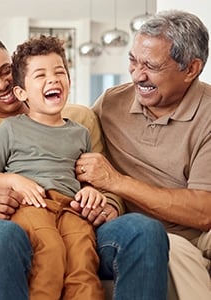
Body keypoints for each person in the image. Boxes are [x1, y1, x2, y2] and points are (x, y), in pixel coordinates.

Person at [0, 36, 168, 300]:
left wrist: (103, 202)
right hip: (17, 218)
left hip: (72, 211)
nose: (2, 84)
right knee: (29, 242)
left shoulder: (80, 123)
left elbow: (100, 180)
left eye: (6, 72)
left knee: (132, 235)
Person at [76, 10, 211, 299]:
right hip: (147, 235)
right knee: (164, 245)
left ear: (191, 68)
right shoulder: (111, 103)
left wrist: (116, 182)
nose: (138, 75)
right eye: (133, 61)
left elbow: (204, 211)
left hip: (201, 231)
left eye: (151, 65)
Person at [0, 35, 105, 299]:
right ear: (21, 92)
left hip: (71, 208)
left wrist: (93, 192)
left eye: (60, 72)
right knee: (51, 250)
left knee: (83, 257)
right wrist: (14, 181)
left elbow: (88, 179)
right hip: (31, 206)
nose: (53, 79)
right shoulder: (11, 128)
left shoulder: (80, 133)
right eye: (40, 75)